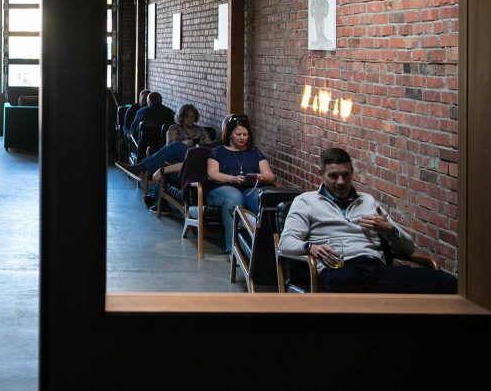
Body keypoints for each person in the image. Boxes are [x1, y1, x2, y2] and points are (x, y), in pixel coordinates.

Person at [278, 147, 457, 293]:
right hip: (338, 269)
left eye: (346, 175)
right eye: (333, 176)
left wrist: (391, 231)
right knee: (344, 282)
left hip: (376, 268)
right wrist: (311, 247)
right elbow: (285, 243)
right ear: (321, 174)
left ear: (352, 173)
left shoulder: (368, 201)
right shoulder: (306, 202)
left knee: (447, 282)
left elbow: (409, 248)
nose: (341, 182)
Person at [206, 114, 276, 253]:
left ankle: (261, 248)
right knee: (234, 197)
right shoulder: (218, 151)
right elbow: (212, 174)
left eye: (245, 134)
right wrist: (232, 179)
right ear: (230, 134)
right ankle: (233, 249)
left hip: (249, 189)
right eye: (238, 134)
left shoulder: (254, 152)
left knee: (259, 197)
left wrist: (261, 177)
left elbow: (270, 176)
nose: (242, 137)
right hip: (223, 188)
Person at [123, 103, 209, 183]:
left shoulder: (201, 130)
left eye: (192, 117)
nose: (190, 119)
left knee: (174, 151)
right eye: (186, 117)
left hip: (196, 157)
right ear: (181, 117)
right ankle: (156, 190)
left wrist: (198, 146)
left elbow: (210, 146)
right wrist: (184, 143)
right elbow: (169, 148)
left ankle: (141, 169)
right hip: (181, 160)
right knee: (171, 160)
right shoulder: (175, 128)